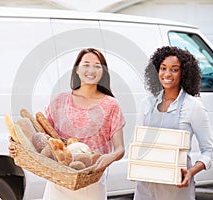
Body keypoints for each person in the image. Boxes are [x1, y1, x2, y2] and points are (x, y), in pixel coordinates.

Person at [9, 47, 126, 200]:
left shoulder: (111, 105)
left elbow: (120, 149)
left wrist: (110, 157)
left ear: (103, 71)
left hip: (91, 183)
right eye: (86, 64)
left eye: (97, 66)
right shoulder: (60, 101)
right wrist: (18, 148)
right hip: (59, 181)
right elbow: (41, 140)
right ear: (77, 69)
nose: (91, 69)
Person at [133, 46, 213, 200]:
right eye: (163, 68)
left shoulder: (193, 106)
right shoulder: (147, 103)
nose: (167, 74)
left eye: (174, 69)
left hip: (177, 188)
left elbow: (209, 152)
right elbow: (139, 143)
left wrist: (191, 172)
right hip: (145, 187)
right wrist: (135, 166)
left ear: (184, 73)